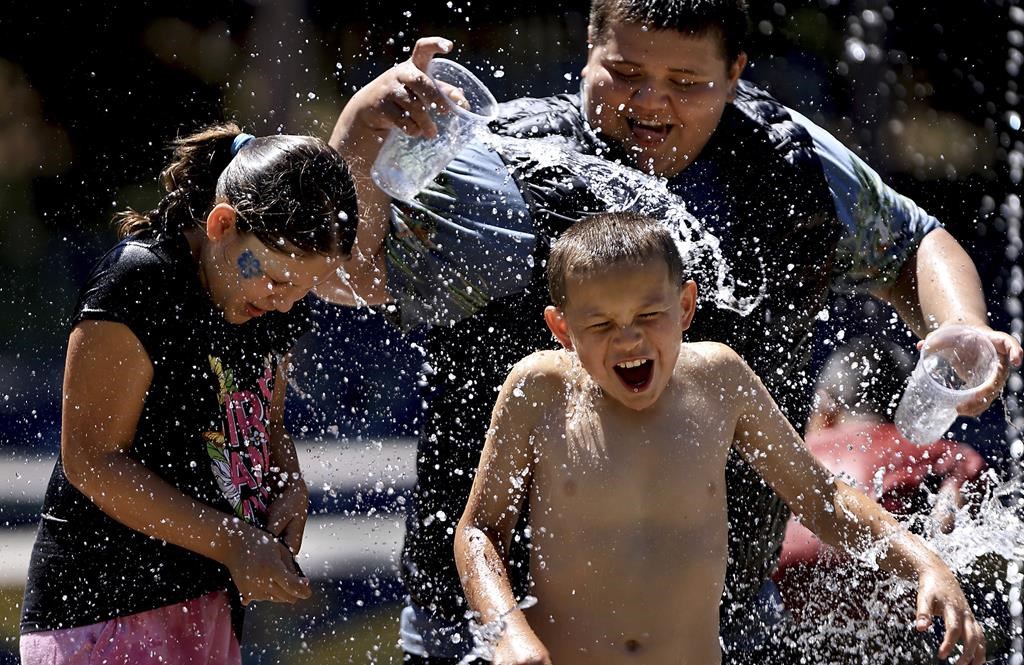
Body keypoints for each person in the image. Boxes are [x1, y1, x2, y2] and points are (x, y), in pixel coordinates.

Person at [325, 1, 1024, 660]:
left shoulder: (783, 180)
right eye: (624, 73)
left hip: (722, 628)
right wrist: (358, 135)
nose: (650, 101)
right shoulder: (497, 167)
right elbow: (332, 269)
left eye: (686, 82)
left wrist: (961, 325)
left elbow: (914, 244)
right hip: (486, 637)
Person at [453, 211, 986, 665]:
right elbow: (479, 530)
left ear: (685, 306)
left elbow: (821, 499)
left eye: (648, 315)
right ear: (562, 328)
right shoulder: (539, 389)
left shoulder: (718, 379)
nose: (629, 338)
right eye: (601, 325)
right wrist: (506, 631)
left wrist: (922, 560)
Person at [19, 123, 359, 664]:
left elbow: (262, 420)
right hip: (104, 611)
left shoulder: (267, 303)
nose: (287, 302)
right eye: (275, 279)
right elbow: (91, 460)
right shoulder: (140, 282)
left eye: (304, 287)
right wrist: (235, 543)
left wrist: (287, 480)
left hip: (206, 603)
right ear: (221, 224)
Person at [771, 336, 988, 661]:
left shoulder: (791, 455)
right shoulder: (943, 456)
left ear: (825, 409)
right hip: (893, 598)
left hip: (788, 584)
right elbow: (947, 522)